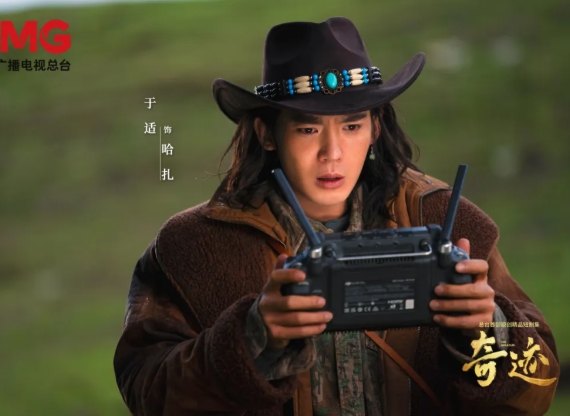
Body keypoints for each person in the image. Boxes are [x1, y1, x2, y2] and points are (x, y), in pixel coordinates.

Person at [113, 17, 559, 416]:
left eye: (351, 125)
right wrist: (250, 339)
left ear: (375, 127)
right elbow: (146, 391)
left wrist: (490, 328)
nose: (332, 152)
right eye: (308, 128)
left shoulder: (450, 220)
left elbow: (541, 383)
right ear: (267, 133)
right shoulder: (194, 248)